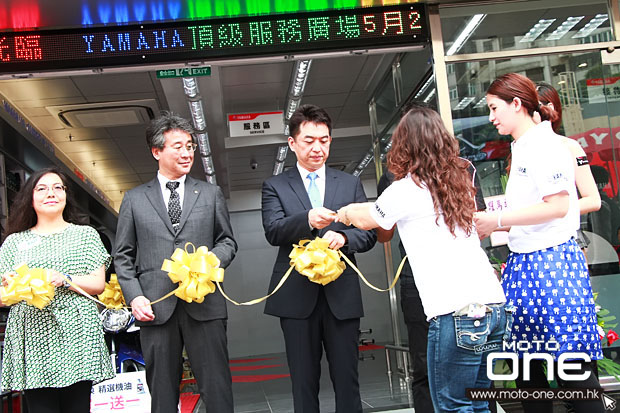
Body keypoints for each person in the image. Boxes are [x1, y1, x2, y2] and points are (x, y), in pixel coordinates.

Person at [336, 105, 508, 412]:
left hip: (455, 311)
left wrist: (344, 213)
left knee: (454, 406)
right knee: (480, 402)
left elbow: (370, 221)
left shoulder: (406, 188)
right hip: (493, 305)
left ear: (405, 146)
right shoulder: (460, 182)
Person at [475, 73, 604, 413]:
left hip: (551, 265)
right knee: (527, 368)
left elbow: (559, 205)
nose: (491, 117)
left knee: (571, 366)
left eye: (494, 108)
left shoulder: (544, 146)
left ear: (516, 104)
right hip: (527, 264)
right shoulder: (523, 147)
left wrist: (497, 221)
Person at [114, 112, 237, 413]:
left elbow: (228, 242)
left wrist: (208, 261)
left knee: (217, 387)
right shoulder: (134, 199)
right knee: (163, 392)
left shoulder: (210, 194)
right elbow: (123, 255)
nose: (186, 152)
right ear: (157, 151)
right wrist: (135, 296)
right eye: (178, 146)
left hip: (204, 305)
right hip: (156, 309)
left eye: (190, 146)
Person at [261, 104, 377, 412]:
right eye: (309, 140)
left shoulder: (349, 183)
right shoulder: (275, 186)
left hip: (342, 295)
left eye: (324, 140)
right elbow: (273, 231)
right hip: (296, 299)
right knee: (303, 382)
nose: (317, 148)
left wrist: (345, 237)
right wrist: (308, 219)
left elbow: (369, 232)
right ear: (292, 143)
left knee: (348, 380)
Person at [376, 157, 487, 413]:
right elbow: (384, 230)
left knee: (468, 365)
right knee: (426, 365)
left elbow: (479, 221)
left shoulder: (462, 168)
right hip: (418, 279)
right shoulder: (394, 177)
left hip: (463, 279)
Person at [0, 167, 113, 412]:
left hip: (76, 333)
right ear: (30, 198)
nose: (50, 193)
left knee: (77, 406)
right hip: (33, 334)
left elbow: (98, 285)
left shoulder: (86, 236)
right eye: (41, 189)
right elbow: (2, 296)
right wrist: (14, 287)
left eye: (57, 188)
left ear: (65, 195)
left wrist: (65, 278)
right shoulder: (14, 242)